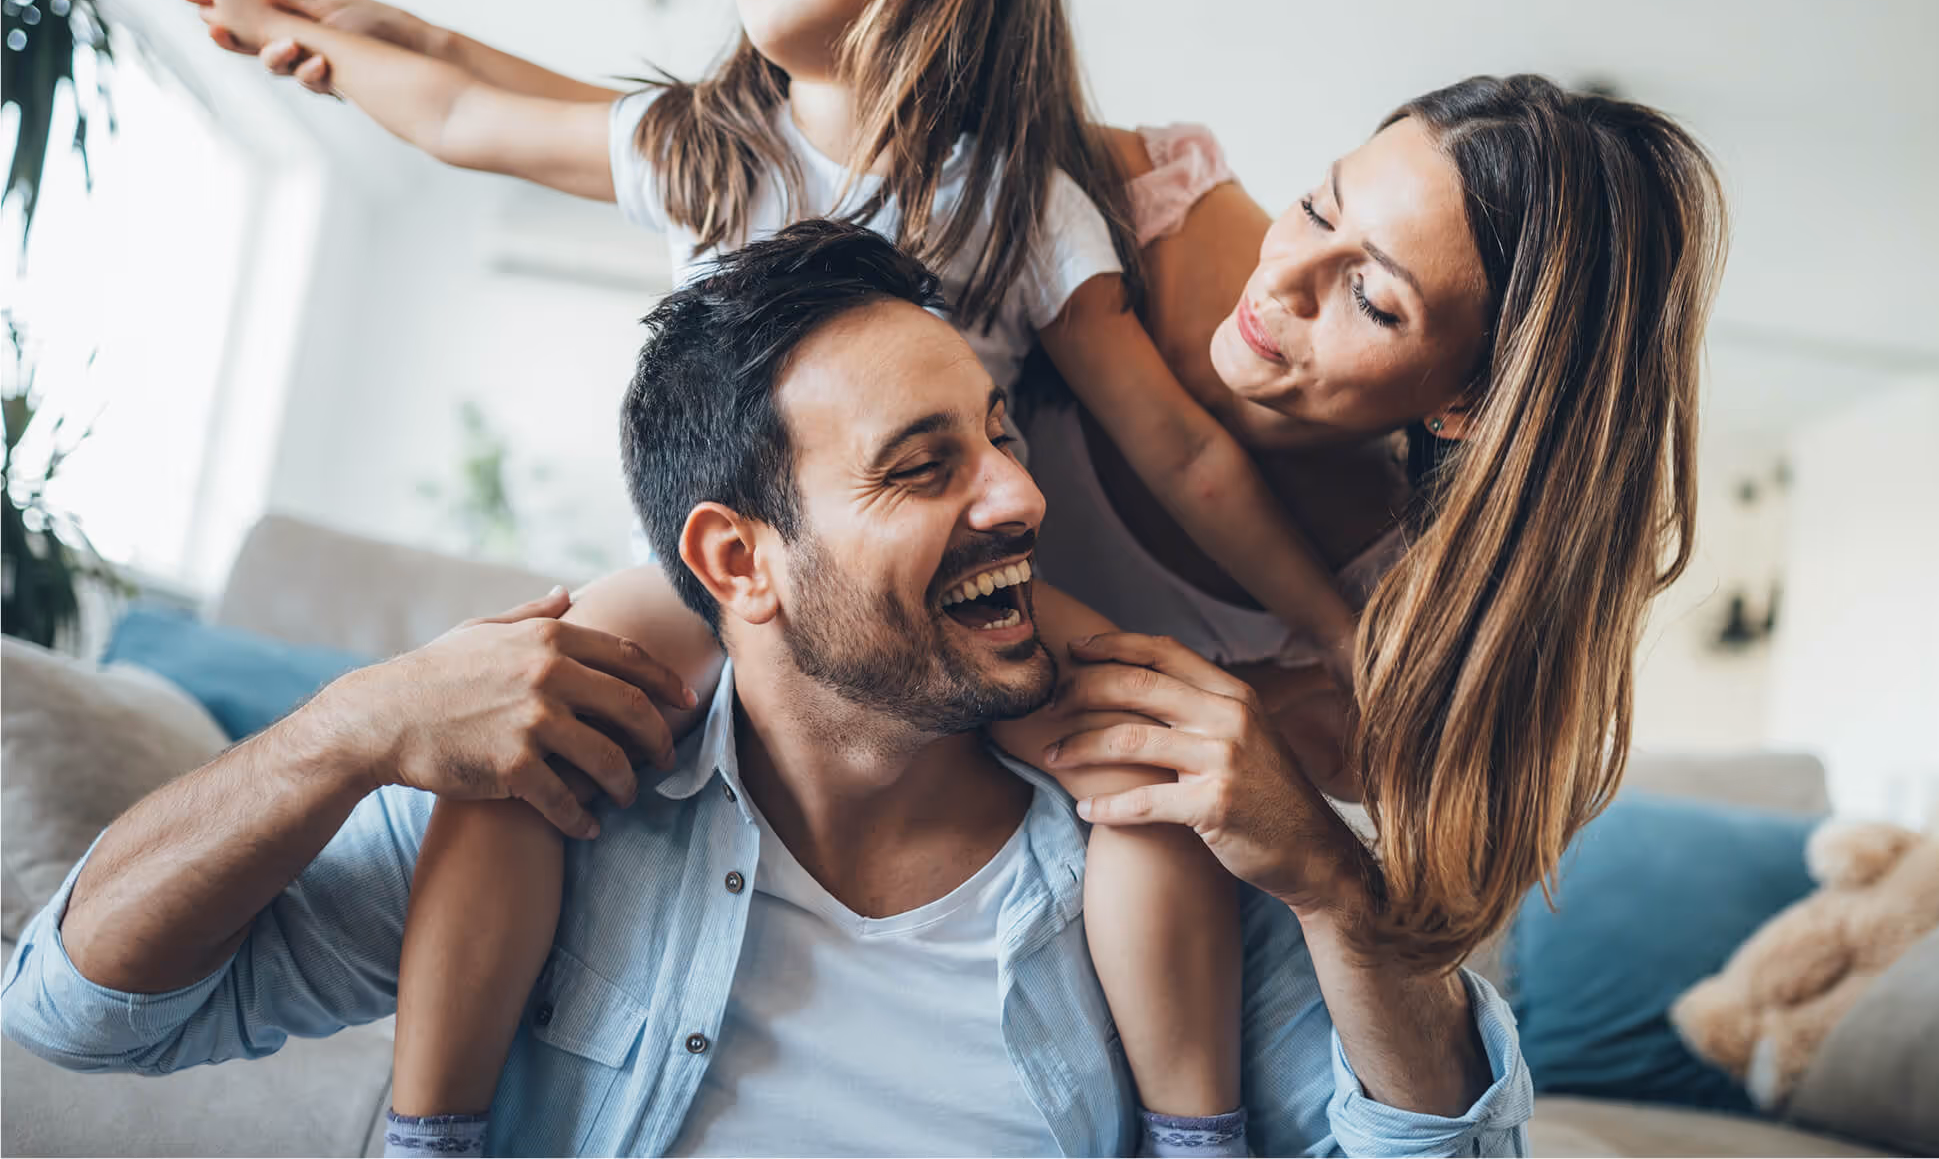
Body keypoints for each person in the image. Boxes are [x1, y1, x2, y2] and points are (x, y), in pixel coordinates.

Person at [180, 0, 1357, 1139]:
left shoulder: (1021, 201)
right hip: (711, 587)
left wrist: (1337, 628)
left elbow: (1180, 446)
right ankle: (430, 1127)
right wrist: (329, 47)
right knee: (520, 745)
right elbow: (462, 106)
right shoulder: (709, 148)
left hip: (949, 600)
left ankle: (1200, 1130)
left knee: (1149, 773)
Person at [0, 223, 1533, 1157]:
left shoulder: (1156, 841)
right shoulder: (561, 807)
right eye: (926, 467)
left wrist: (1338, 884)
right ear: (740, 558)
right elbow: (79, 1014)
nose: (1017, 497)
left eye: (1001, 436)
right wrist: (348, 730)